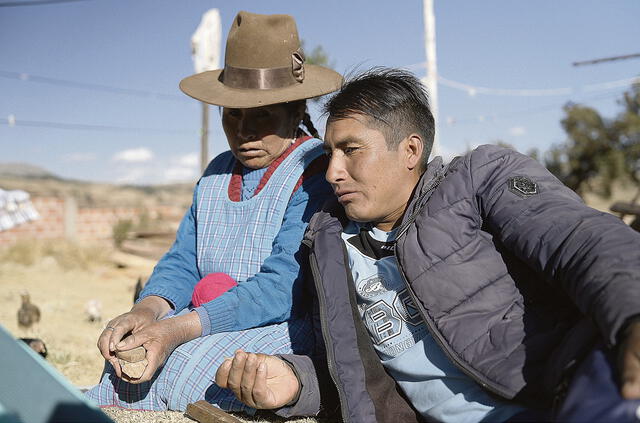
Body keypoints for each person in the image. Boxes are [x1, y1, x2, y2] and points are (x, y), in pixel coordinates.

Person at [215, 68, 640, 422]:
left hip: (570, 385)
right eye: (330, 154)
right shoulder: (328, 246)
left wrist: (632, 314)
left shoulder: (477, 180)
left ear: (410, 150)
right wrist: (295, 383)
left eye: (351, 150)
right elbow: (357, 374)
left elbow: (579, 236)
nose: (333, 173)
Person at [85, 11, 341, 414]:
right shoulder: (216, 173)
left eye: (263, 113)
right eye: (233, 113)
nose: (244, 130)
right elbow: (183, 259)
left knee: (189, 369)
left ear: (295, 109)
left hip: (283, 325)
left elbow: (281, 288)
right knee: (128, 360)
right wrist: (146, 311)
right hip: (205, 318)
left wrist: (177, 330)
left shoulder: (316, 172)